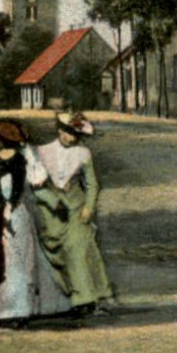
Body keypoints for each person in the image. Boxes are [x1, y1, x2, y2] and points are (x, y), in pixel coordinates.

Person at [0, 118, 72, 327]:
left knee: (11, 264)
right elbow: (38, 179)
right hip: (10, 215)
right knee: (15, 264)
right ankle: (10, 310)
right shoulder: (23, 159)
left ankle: (10, 310)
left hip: (4, 216)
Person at [31, 111, 115, 316]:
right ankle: (62, 299)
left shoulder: (83, 153)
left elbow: (92, 184)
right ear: (60, 131)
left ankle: (85, 299)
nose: (72, 138)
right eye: (68, 132)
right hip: (50, 208)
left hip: (76, 206)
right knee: (56, 252)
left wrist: (88, 207)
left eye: (76, 134)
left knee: (79, 249)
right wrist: (50, 199)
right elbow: (35, 185)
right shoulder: (42, 152)